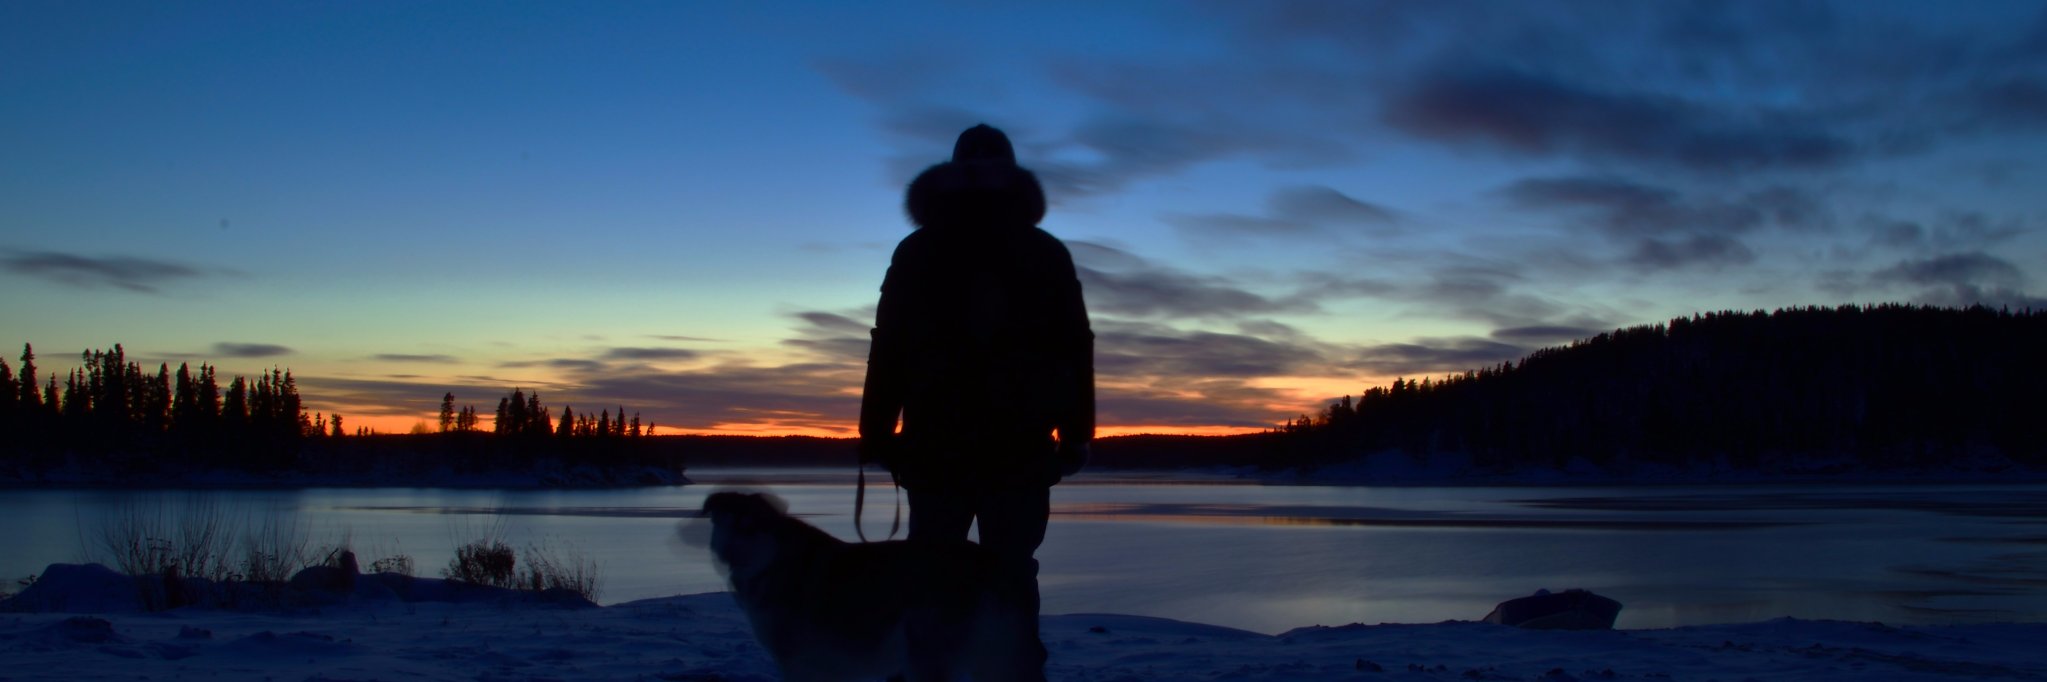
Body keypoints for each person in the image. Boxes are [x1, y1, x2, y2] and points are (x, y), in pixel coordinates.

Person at [859, 123, 1094, 678]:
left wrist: (876, 431)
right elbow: (1074, 348)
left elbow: (888, 346)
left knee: (951, 575)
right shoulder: (1041, 252)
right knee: (999, 575)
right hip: (994, 448)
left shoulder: (922, 251)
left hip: (957, 447)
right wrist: (1075, 432)